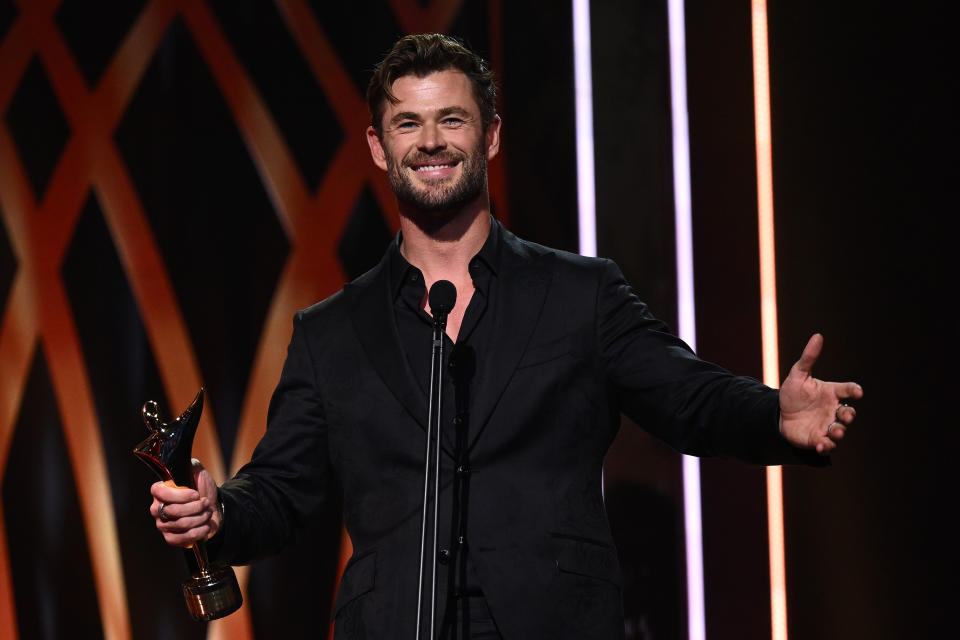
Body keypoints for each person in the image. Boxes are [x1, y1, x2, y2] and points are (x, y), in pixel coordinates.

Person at [149, 34, 862, 639]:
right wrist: (219, 513)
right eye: (407, 124)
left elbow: (688, 396)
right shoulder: (330, 332)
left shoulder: (580, 295)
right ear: (377, 145)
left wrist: (775, 414)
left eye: (452, 120)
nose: (430, 142)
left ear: (489, 135)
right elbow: (281, 491)